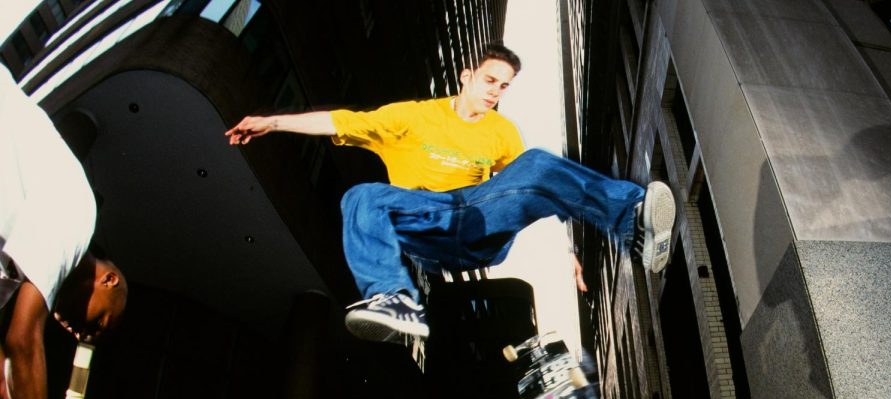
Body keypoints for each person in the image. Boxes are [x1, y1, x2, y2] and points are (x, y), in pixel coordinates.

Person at [225, 42, 676, 342]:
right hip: (429, 224)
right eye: (489, 81)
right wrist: (272, 122)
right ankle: (394, 298)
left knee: (537, 162)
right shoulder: (412, 117)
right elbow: (339, 120)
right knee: (361, 197)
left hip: (480, 223)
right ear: (466, 76)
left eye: (503, 87)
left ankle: (631, 221)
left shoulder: (502, 132)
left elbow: (536, 187)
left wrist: (567, 251)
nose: (495, 93)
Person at [0, 66, 128, 399]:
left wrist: (5, 381)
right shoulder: (77, 216)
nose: (81, 333)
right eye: (98, 324)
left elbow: (9, 342)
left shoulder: (15, 263)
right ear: (107, 279)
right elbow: (21, 338)